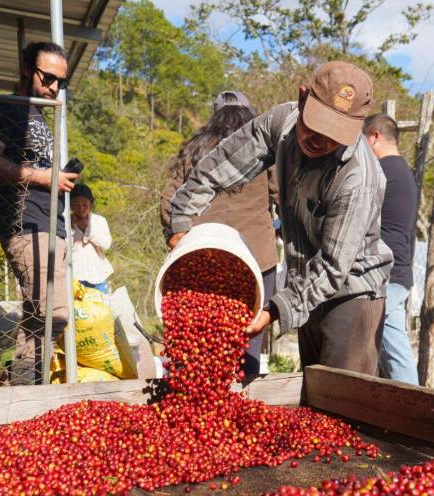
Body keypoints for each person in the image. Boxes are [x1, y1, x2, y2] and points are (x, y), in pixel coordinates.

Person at [168, 61, 393, 390]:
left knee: (343, 408)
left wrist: (275, 309)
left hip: (353, 294)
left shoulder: (358, 178)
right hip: (307, 281)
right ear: (302, 99)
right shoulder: (282, 122)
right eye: (315, 125)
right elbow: (224, 162)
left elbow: (333, 267)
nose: (319, 140)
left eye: (333, 135)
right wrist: (182, 216)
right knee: (314, 396)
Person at [0, 41, 79, 384]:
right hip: (26, 225)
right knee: (54, 314)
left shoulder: (36, 114)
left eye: (61, 82)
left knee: (42, 318)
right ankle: (22, 389)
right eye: (47, 78)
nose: (53, 88)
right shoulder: (8, 108)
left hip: (50, 226)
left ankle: (21, 391)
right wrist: (45, 177)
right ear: (25, 69)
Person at [161, 91, 279, 375]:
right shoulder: (265, 150)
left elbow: (169, 198)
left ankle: (191, 405)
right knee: (248, 341)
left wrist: (176, 234)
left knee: (195, 352)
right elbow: (283, 196)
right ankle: (241, 407)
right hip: (257, 261)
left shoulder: (194, 148)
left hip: (202, 259)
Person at [363, 114, 420, 385]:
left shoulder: (383, 171)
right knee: (388, 348)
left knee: (395, 352)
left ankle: (415, 412)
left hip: (387, 274)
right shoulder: (402, 172)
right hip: (396, 271)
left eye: (363, 141)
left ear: (374, 136)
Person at [71, 183, 114, 294]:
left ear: (91, 204)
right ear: (70, 205)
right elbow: (63, 249)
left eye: (85, 204)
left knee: (100, 308)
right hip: (75, 276)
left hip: (98, 274)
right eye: (76, 204)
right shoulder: (65, 222)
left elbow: (106, 244)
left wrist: (87, 229)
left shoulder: (99, 220)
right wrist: (72, 229)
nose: (81, 208)